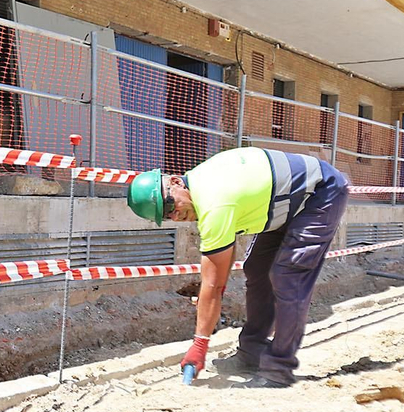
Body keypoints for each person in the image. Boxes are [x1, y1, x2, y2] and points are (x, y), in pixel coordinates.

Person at [126, 146, 349, 387]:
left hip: (320, 191)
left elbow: (214, 285)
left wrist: (199, 344)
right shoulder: (203, 185)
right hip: (285, 200)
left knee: (288, 276)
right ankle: (251, 354)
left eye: (170, 205)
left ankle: (278, 370)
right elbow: (217, 277)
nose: (176, 215)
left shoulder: (213, 203)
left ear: (176, 182)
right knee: (257, 268)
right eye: (166, 216)